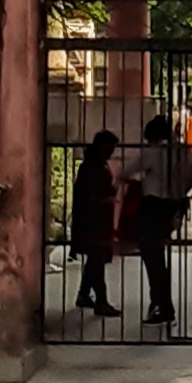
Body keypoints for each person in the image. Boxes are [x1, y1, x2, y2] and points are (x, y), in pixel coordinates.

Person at [120, 114, 192, 325]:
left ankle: (162, 304)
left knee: (152, 256)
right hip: (174, 206)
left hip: (153, 207)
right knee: (158, 254)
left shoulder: (152, 153)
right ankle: (161, 303)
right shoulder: (184, 152)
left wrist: (140, 182)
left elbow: (125, 171)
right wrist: (178, 191)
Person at [69, 130, 121, 318]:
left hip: (95, 219)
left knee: (94, 259)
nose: (112, 152)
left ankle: (84, 294)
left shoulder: (94, 163)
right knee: (97, 260)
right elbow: (88, 196)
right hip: (93, 220)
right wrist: (105, 199)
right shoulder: (92, 166)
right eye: (111, 148)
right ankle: (101, 302)